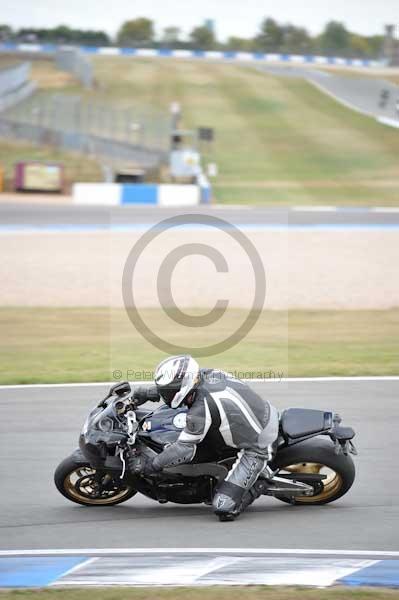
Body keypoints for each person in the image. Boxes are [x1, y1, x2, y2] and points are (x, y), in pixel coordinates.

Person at [129, 355, 279, 521]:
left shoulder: (201, 410)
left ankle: (260, 482)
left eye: (167, 391)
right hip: (256, 415)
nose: (165, 394)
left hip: (258, 444)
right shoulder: (205, 374)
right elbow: (178, 387)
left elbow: (183, 450)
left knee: (223, 507)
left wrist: (151, 465)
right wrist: (148, 392)